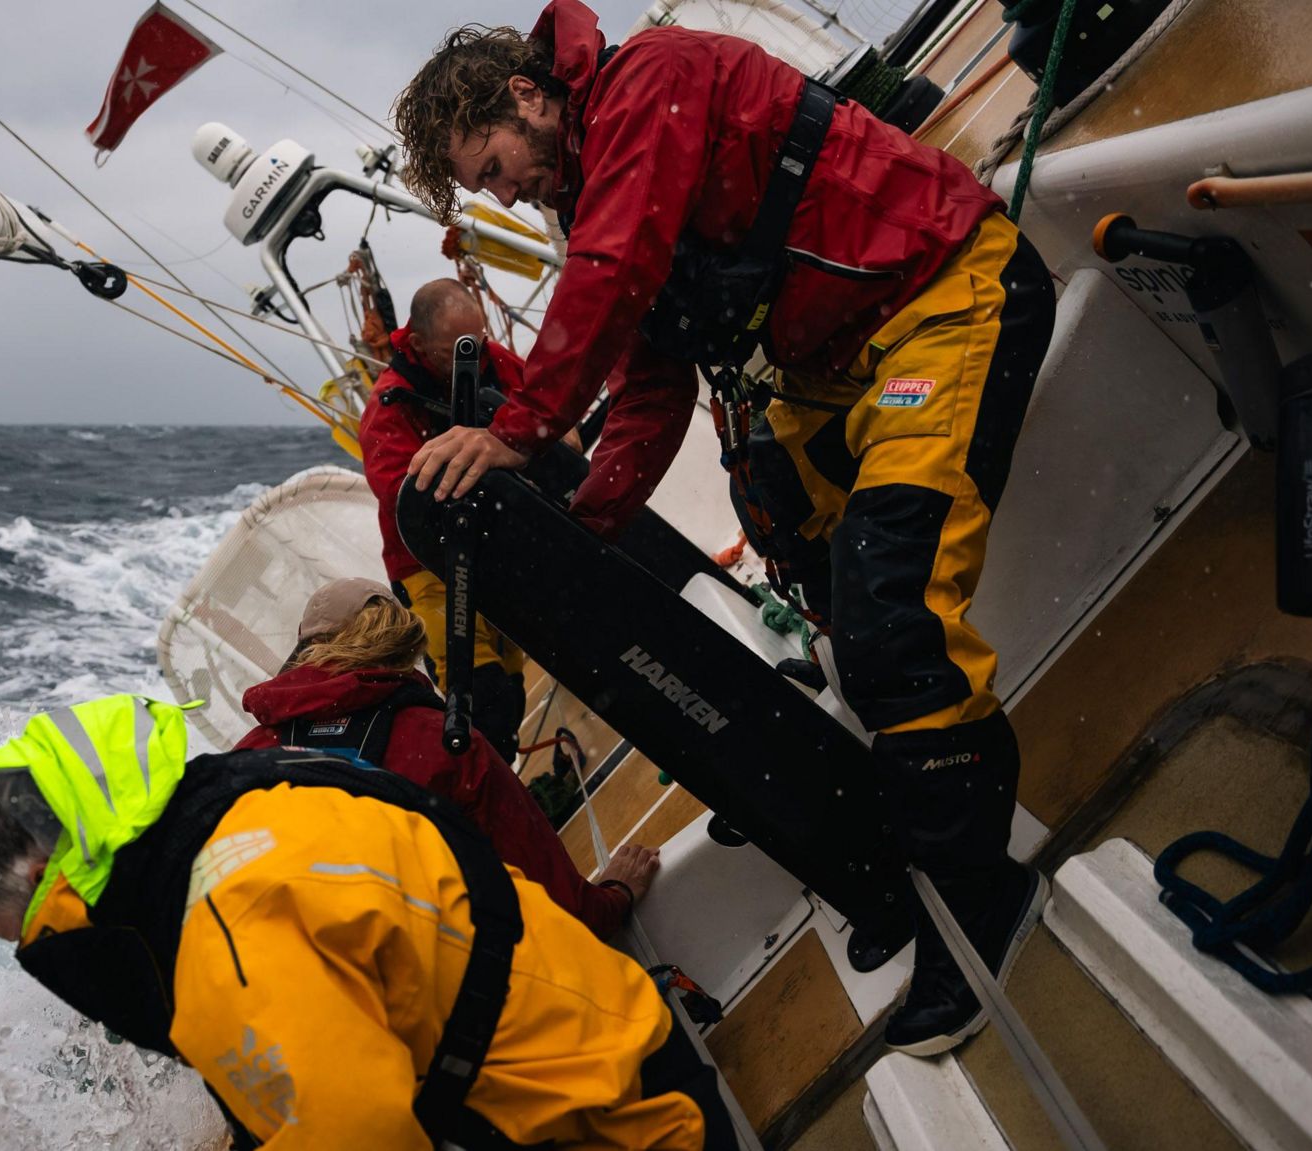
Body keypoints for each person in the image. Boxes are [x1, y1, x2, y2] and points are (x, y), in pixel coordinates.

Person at [391, 1, 1058, 1056]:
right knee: (809, 564)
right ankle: (923, 801)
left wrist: (519, 432)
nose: (503, 193)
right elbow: (651, 379)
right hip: (846, 367)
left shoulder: (653, 82)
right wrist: (586, 525)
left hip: (947, 297)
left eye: (492, 166)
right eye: (482, 189)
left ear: (523, 97)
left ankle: (985, 898)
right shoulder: (599, 180)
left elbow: (610, 270)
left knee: (891, 622)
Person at [0, 692, 718, 1149]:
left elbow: (358, 1134)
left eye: (18, 935)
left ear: (44, 879)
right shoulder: (255, 801)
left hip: (622, 1125)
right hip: (604, 1040)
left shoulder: (224, 939)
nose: (36, 954)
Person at [235, 576, 661, 940]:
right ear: (401, 642)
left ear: (304, 653)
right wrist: (614, 895)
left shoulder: (248, 756)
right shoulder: (443, 741)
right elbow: (562, 912)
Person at [359, 279, 530, 761]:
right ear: (416, 346)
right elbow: (401, 497)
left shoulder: (493, 360)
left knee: (512, 690)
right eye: (456, 353)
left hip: (499, 549)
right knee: (479, 695)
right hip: (430, 567)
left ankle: (504, 774)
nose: (471, 362)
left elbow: (549, 415)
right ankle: (484, 793)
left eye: (476, 344)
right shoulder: (387, 412)